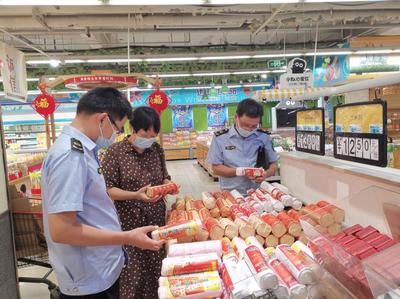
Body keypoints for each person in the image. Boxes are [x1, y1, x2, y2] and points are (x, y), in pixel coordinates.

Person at [41, 87, 164, 299]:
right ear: (102, 119)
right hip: (88, 277)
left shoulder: (84, 151)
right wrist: (127, 237)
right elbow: (61, 230)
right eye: (117, 129)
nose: (115, 135)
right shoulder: (70, 156)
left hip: (99, 269)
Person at [101, 106, 177, 299]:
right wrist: (136, 195)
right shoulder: (115, 153)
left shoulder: (156, 150)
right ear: (132, 129)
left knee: (157, 269)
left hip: (155, 223)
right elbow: (109, 190)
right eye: (146, 133)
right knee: (132, 275)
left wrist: (168, 185)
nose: (150, 139)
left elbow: (164, 176)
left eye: (154, 135)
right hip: (128, 226)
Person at [207, 98, 278, 195]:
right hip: (231, 194)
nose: (249, 129)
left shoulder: (264, 137)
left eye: (254, 126)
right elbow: (216, 168)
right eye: (245, 125)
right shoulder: (220, 138)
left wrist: (266, 174)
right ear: (236, 117)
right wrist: (240, 171)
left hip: (258, 194)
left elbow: (273, 164)